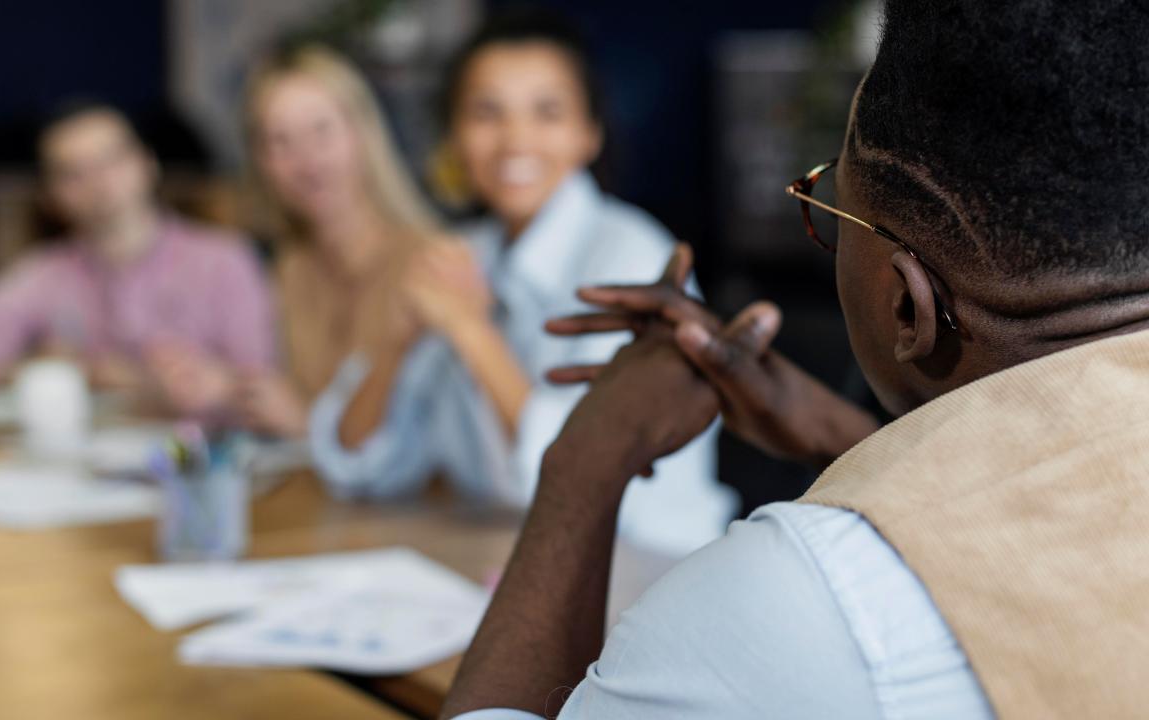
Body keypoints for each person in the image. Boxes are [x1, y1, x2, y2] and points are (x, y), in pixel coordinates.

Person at [441, 1, 1149, 718]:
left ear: (907, 307)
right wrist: (835, 434)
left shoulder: (790, 601)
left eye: (830, 212)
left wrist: (586, 462)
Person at [309, 11, 736, 557]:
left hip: (647, 564)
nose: (515, 139)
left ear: (590, 134)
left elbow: (581, 475)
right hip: (507, 558)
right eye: (487, 112)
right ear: (455, 137)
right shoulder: (467, 255)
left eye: (547, 111)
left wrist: (469, 328)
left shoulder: (634, 258)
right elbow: (358, 464)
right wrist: (395, 342)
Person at [0, 104, 274, 419]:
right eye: (73, 172)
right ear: (51, 196)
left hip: (207, 467)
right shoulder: (46, 272)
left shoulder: (223, 260)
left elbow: (263, 384)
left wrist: (184, 382)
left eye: (110, 160)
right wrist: (58, 371)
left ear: (147, 163)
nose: (98, 183)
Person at [235, 45, 447, 441]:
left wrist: (307, 424)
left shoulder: (432, 263)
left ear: (362, 134)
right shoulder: (287, 271)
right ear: (261, 162)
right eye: (280, 141)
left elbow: (431, 436)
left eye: (322, 130)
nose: (307, 161)